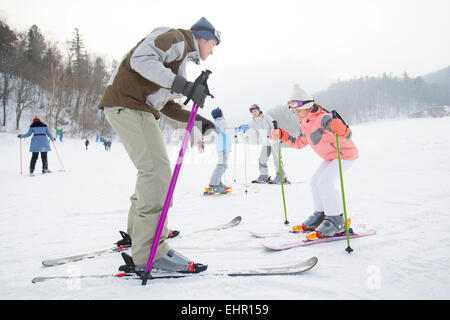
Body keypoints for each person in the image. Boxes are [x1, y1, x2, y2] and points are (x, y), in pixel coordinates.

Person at [98, 17, 220, 274]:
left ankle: (138, 234)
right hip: (130, 105)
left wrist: (197, 120)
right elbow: (140, 60)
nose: (213, 50)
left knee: (150, 173)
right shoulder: (177, 38)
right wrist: (184, 86)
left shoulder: (180, 60)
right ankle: (150, 252)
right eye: (213, 44)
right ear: (204, 37)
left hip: (132, 106)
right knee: (157, 174)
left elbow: (163, 103)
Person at [269, 87, 359, 236]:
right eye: (293, 112)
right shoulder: (304, 123)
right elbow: (299, 143)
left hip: (345, 155)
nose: (296, 115)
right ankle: (321, 215)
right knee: (315, 182)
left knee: (325, 182)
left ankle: (336, 220)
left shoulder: (323, 118)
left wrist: (343, 130)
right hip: (331, 157)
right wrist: (283, 136)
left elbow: (347, 134)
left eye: (298, 111)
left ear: (308, 107)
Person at [240, 104, 288, 184]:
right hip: (266, 143)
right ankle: (264, 176)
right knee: (262, 159)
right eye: (252, 112)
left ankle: (281, 177)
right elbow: (248, 127)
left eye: (255, 111)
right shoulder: (254, 122)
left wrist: (275, 130)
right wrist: (241, 128)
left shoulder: (267, 117)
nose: (254, 113)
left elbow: (274, 125)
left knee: (277, 159)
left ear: (259, 110)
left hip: (274, 141)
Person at [206, 107, 232, 194]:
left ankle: (218, 183)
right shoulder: (222, 122)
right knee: (221, 166)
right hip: (223, 148)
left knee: (222, 165)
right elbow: (230, 132)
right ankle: (213, 185)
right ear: (221, 114)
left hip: (221, 147)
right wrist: (240, 129)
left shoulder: (217, 122)